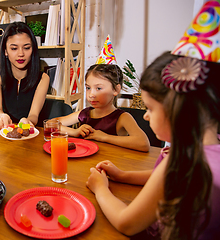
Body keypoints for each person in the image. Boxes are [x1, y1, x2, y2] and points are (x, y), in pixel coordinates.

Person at [87, 51, 220, 239]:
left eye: (150, 108)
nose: (146, 116)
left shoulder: (183, 162)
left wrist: (101, 188)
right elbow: (161, 178)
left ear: (178, 109)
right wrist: (123, 175)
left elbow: (127, 223)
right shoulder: (206, 151)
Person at [55, 64, 150, 152]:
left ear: (116, 89)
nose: (91, 94)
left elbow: (143, 143)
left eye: (98, 88)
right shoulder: (84, 114)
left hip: (110, 165)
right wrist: (75, 132)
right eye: (88, 88)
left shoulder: (122, 117)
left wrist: (105, 137)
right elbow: (51, 124)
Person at [0, 22, 50, 133]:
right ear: (5, 51)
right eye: (14, 49)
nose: (21, 54)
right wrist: (2, 116)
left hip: (32, 135)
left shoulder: (43, 78)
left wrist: (26, 121)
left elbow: (34, 115)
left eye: (26, 48)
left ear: (33, 50)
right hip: (5, 133)